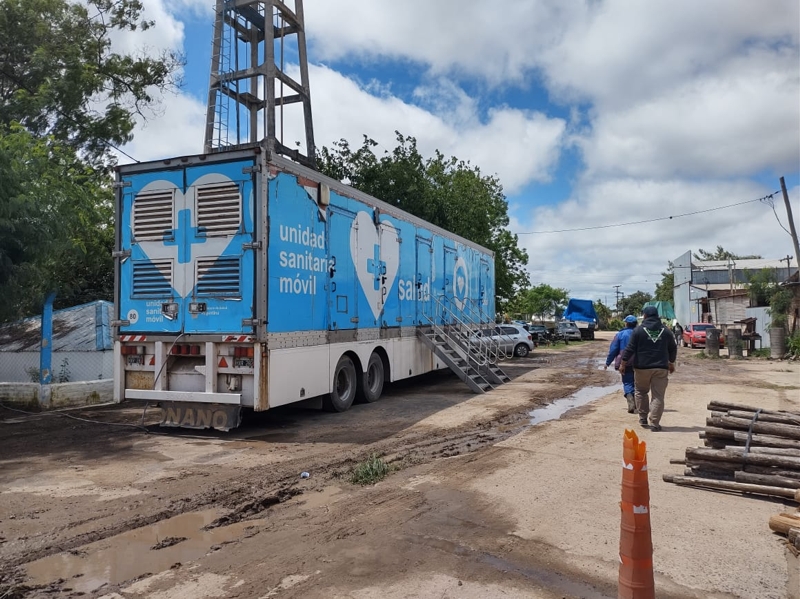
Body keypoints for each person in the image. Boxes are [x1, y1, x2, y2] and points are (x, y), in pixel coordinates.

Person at [620, 306, 677, 432]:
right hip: (661, 368)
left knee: (640, 391)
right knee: (658, 396)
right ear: (657, 316)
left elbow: (630, 348)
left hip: (641, 368)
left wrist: (623, 364)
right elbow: (673, 348)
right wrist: (671, 362)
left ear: (645, 316)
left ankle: (643, 417)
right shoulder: (666, 331)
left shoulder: (638, 330)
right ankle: (655, 424)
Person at [604, 315, 638, 413]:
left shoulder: (620, 334)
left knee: (627, 382)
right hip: (639, 362)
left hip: (624, 362)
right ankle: (635, 401)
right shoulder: (640, 333)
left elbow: (613, 349)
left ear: (626, 323)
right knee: (637, 382)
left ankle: (630, 397)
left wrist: (607, 362)